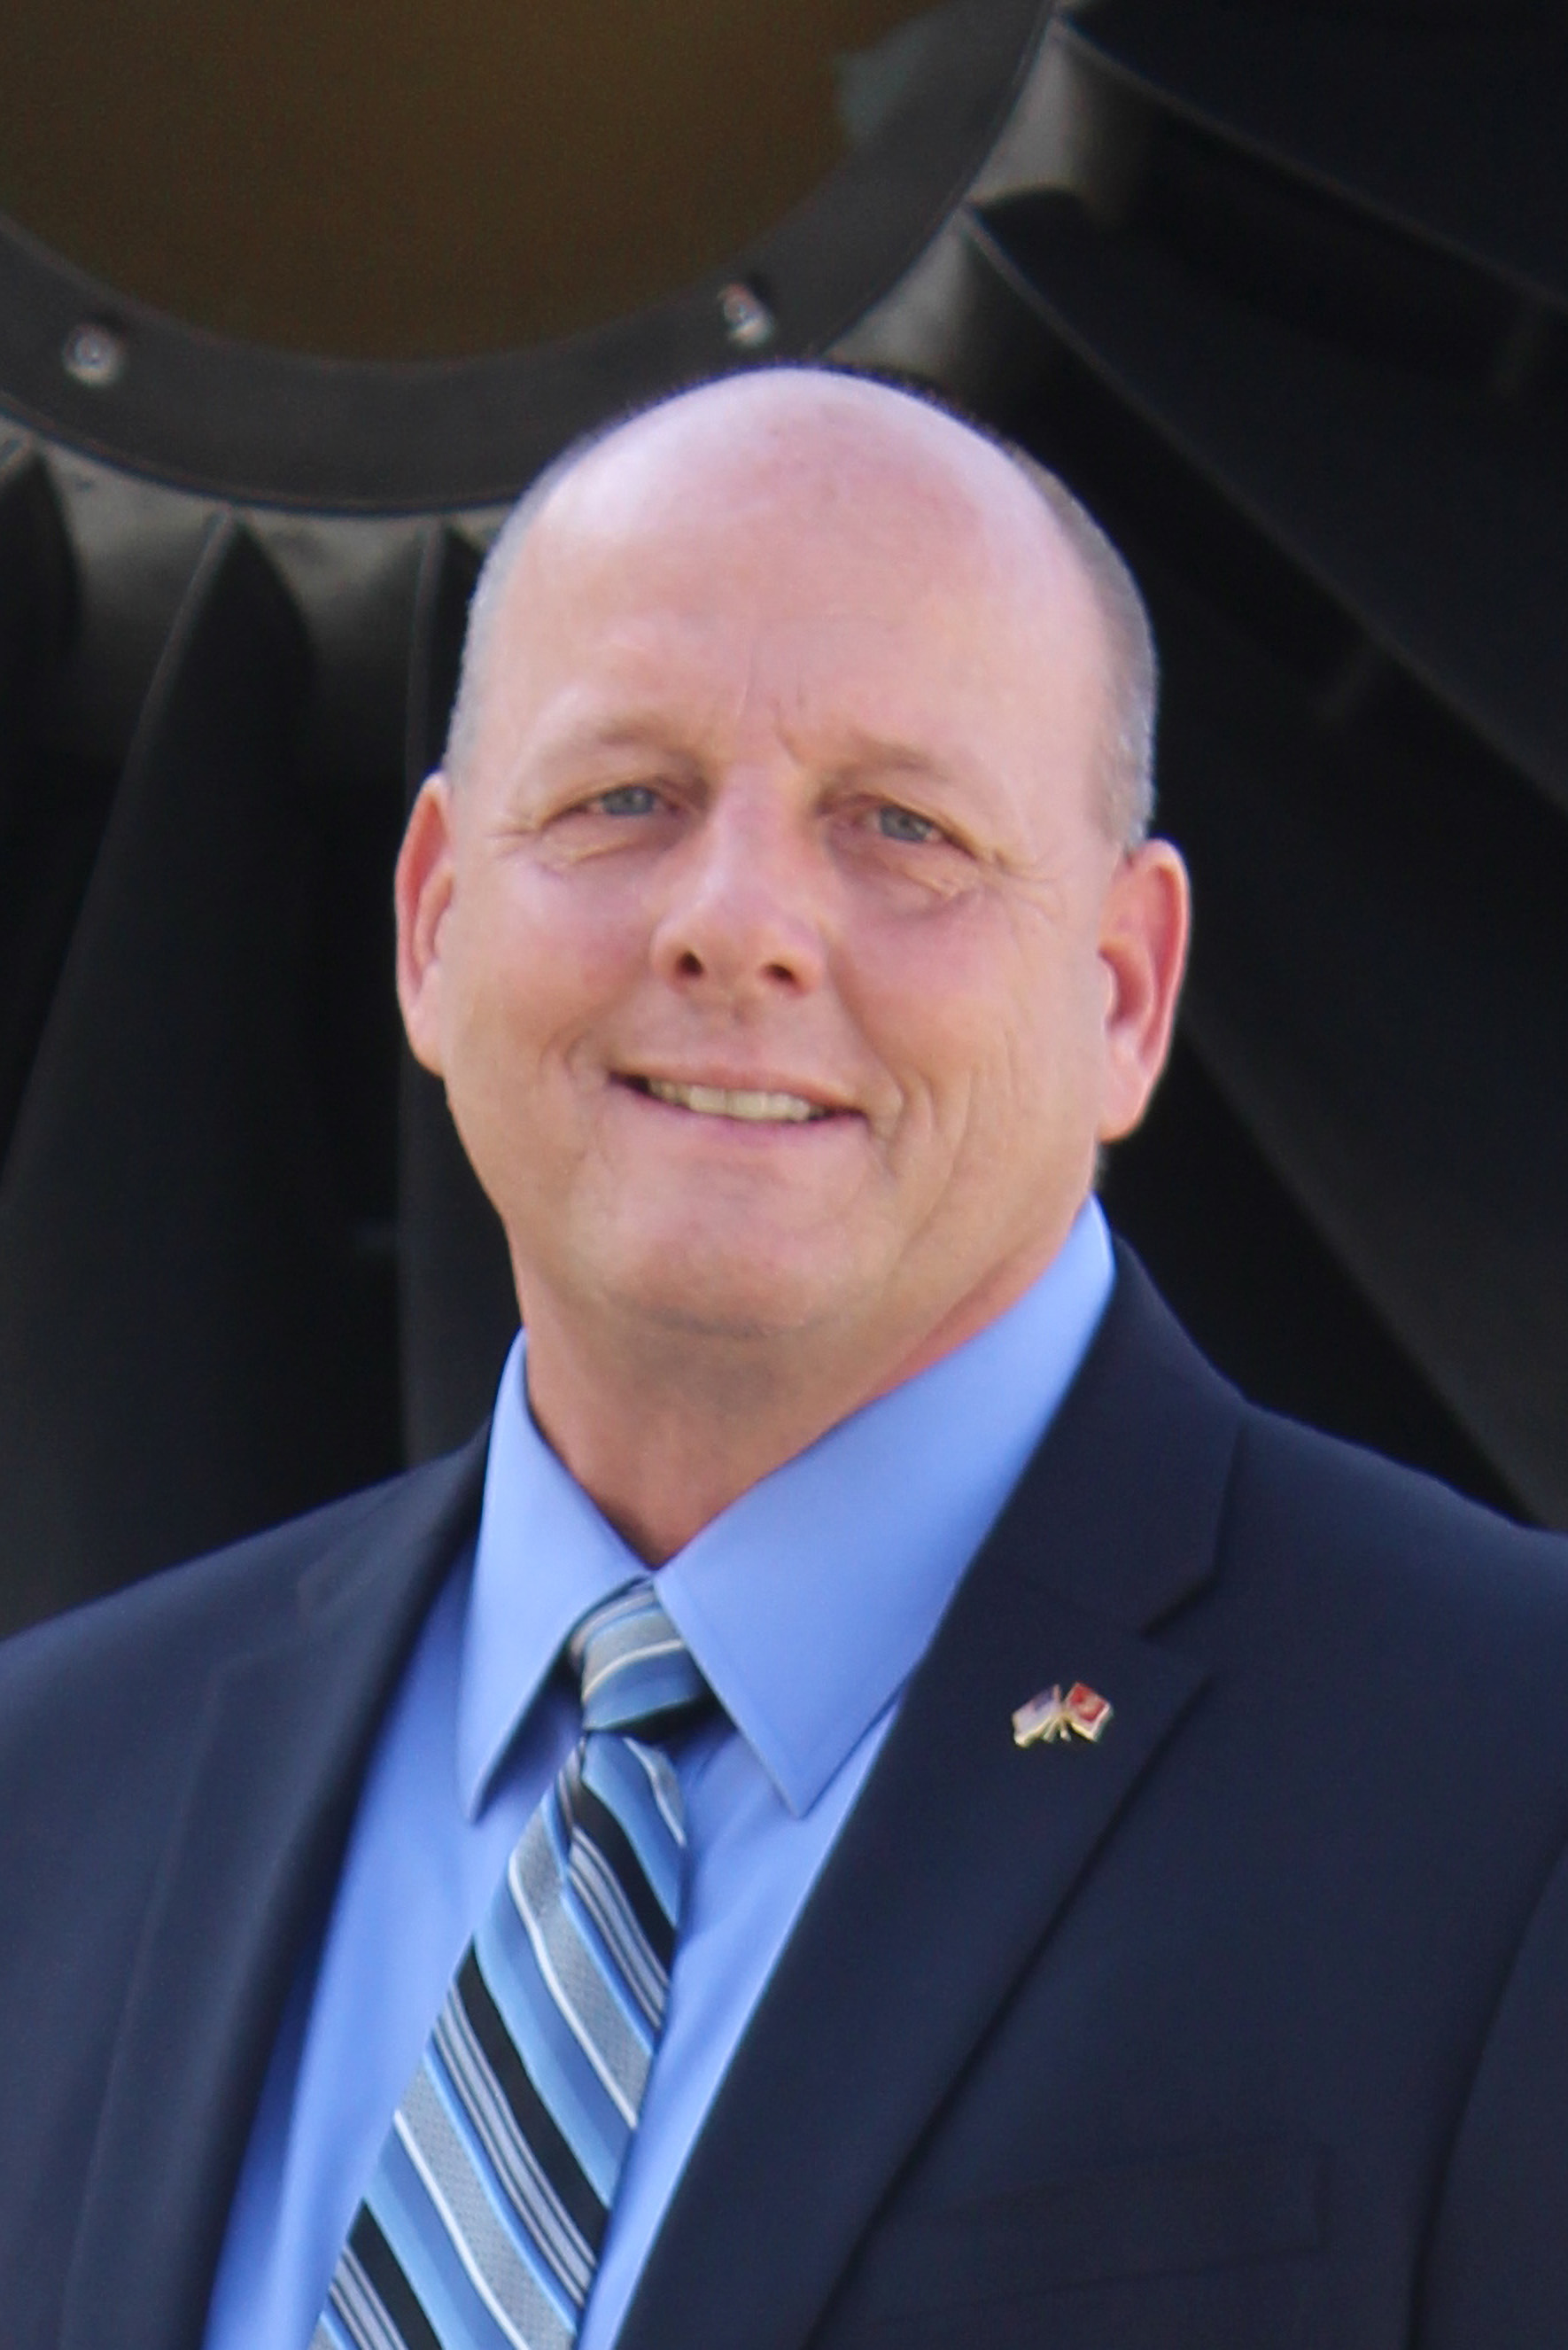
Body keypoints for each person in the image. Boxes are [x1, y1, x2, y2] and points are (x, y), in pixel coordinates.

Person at [4, 367, 1568, 2350]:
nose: (736, 925)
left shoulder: (1511, 1796)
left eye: (902, 827)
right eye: (624, 800)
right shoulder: (47, 1801)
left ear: (1122, 990)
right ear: (433, 924)